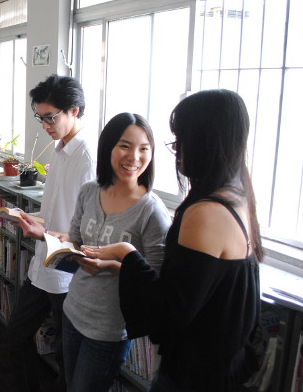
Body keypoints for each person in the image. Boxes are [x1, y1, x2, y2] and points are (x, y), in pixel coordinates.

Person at [84, 89, 264, 391]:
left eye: (180, 139)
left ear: (204, 141)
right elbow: (194, 290)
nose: (177, 149)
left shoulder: (205, 213)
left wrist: (128, 255)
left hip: (197, 372)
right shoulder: (239, 195)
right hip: (226, 364)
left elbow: (169, 312)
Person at [18, 112, 171, 392]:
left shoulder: (152, 211)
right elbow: (75, 245)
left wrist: (112, 267)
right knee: (67, 383)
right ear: (109, 147)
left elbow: (156, 281)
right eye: (125, 146)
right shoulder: (90, 192)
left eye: (143, 149)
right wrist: (45, 237)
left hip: (109, 329)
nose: (134, 157)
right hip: (73, 310)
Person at [6, 74, 96, 392]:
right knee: (16, 335)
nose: (44, 125)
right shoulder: (59, 151)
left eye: (50, 117)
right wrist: (30, 219)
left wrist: (41, 232)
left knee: (67, 355)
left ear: (74, 110)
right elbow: (54, 211)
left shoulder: (87, 158)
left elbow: (86, 230)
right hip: (44, 264)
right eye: (40, 117)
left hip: (68, 274)